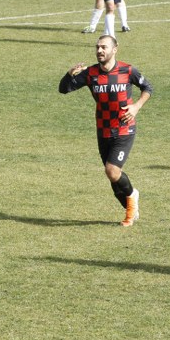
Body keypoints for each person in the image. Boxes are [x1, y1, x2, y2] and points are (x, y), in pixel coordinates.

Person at [59, 35, 153, 226]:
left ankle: (133, 196)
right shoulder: (91, 73)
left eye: (104, 47)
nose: (100, 51)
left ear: (114, 49)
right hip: (103, 130)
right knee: (113, 178)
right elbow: (64, 89)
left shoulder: (127, 70)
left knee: (112, 170)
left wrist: (136, 107)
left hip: (124, 129)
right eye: (97, 47)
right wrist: (69, 74)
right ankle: (130, 209)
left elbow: (147, 87)